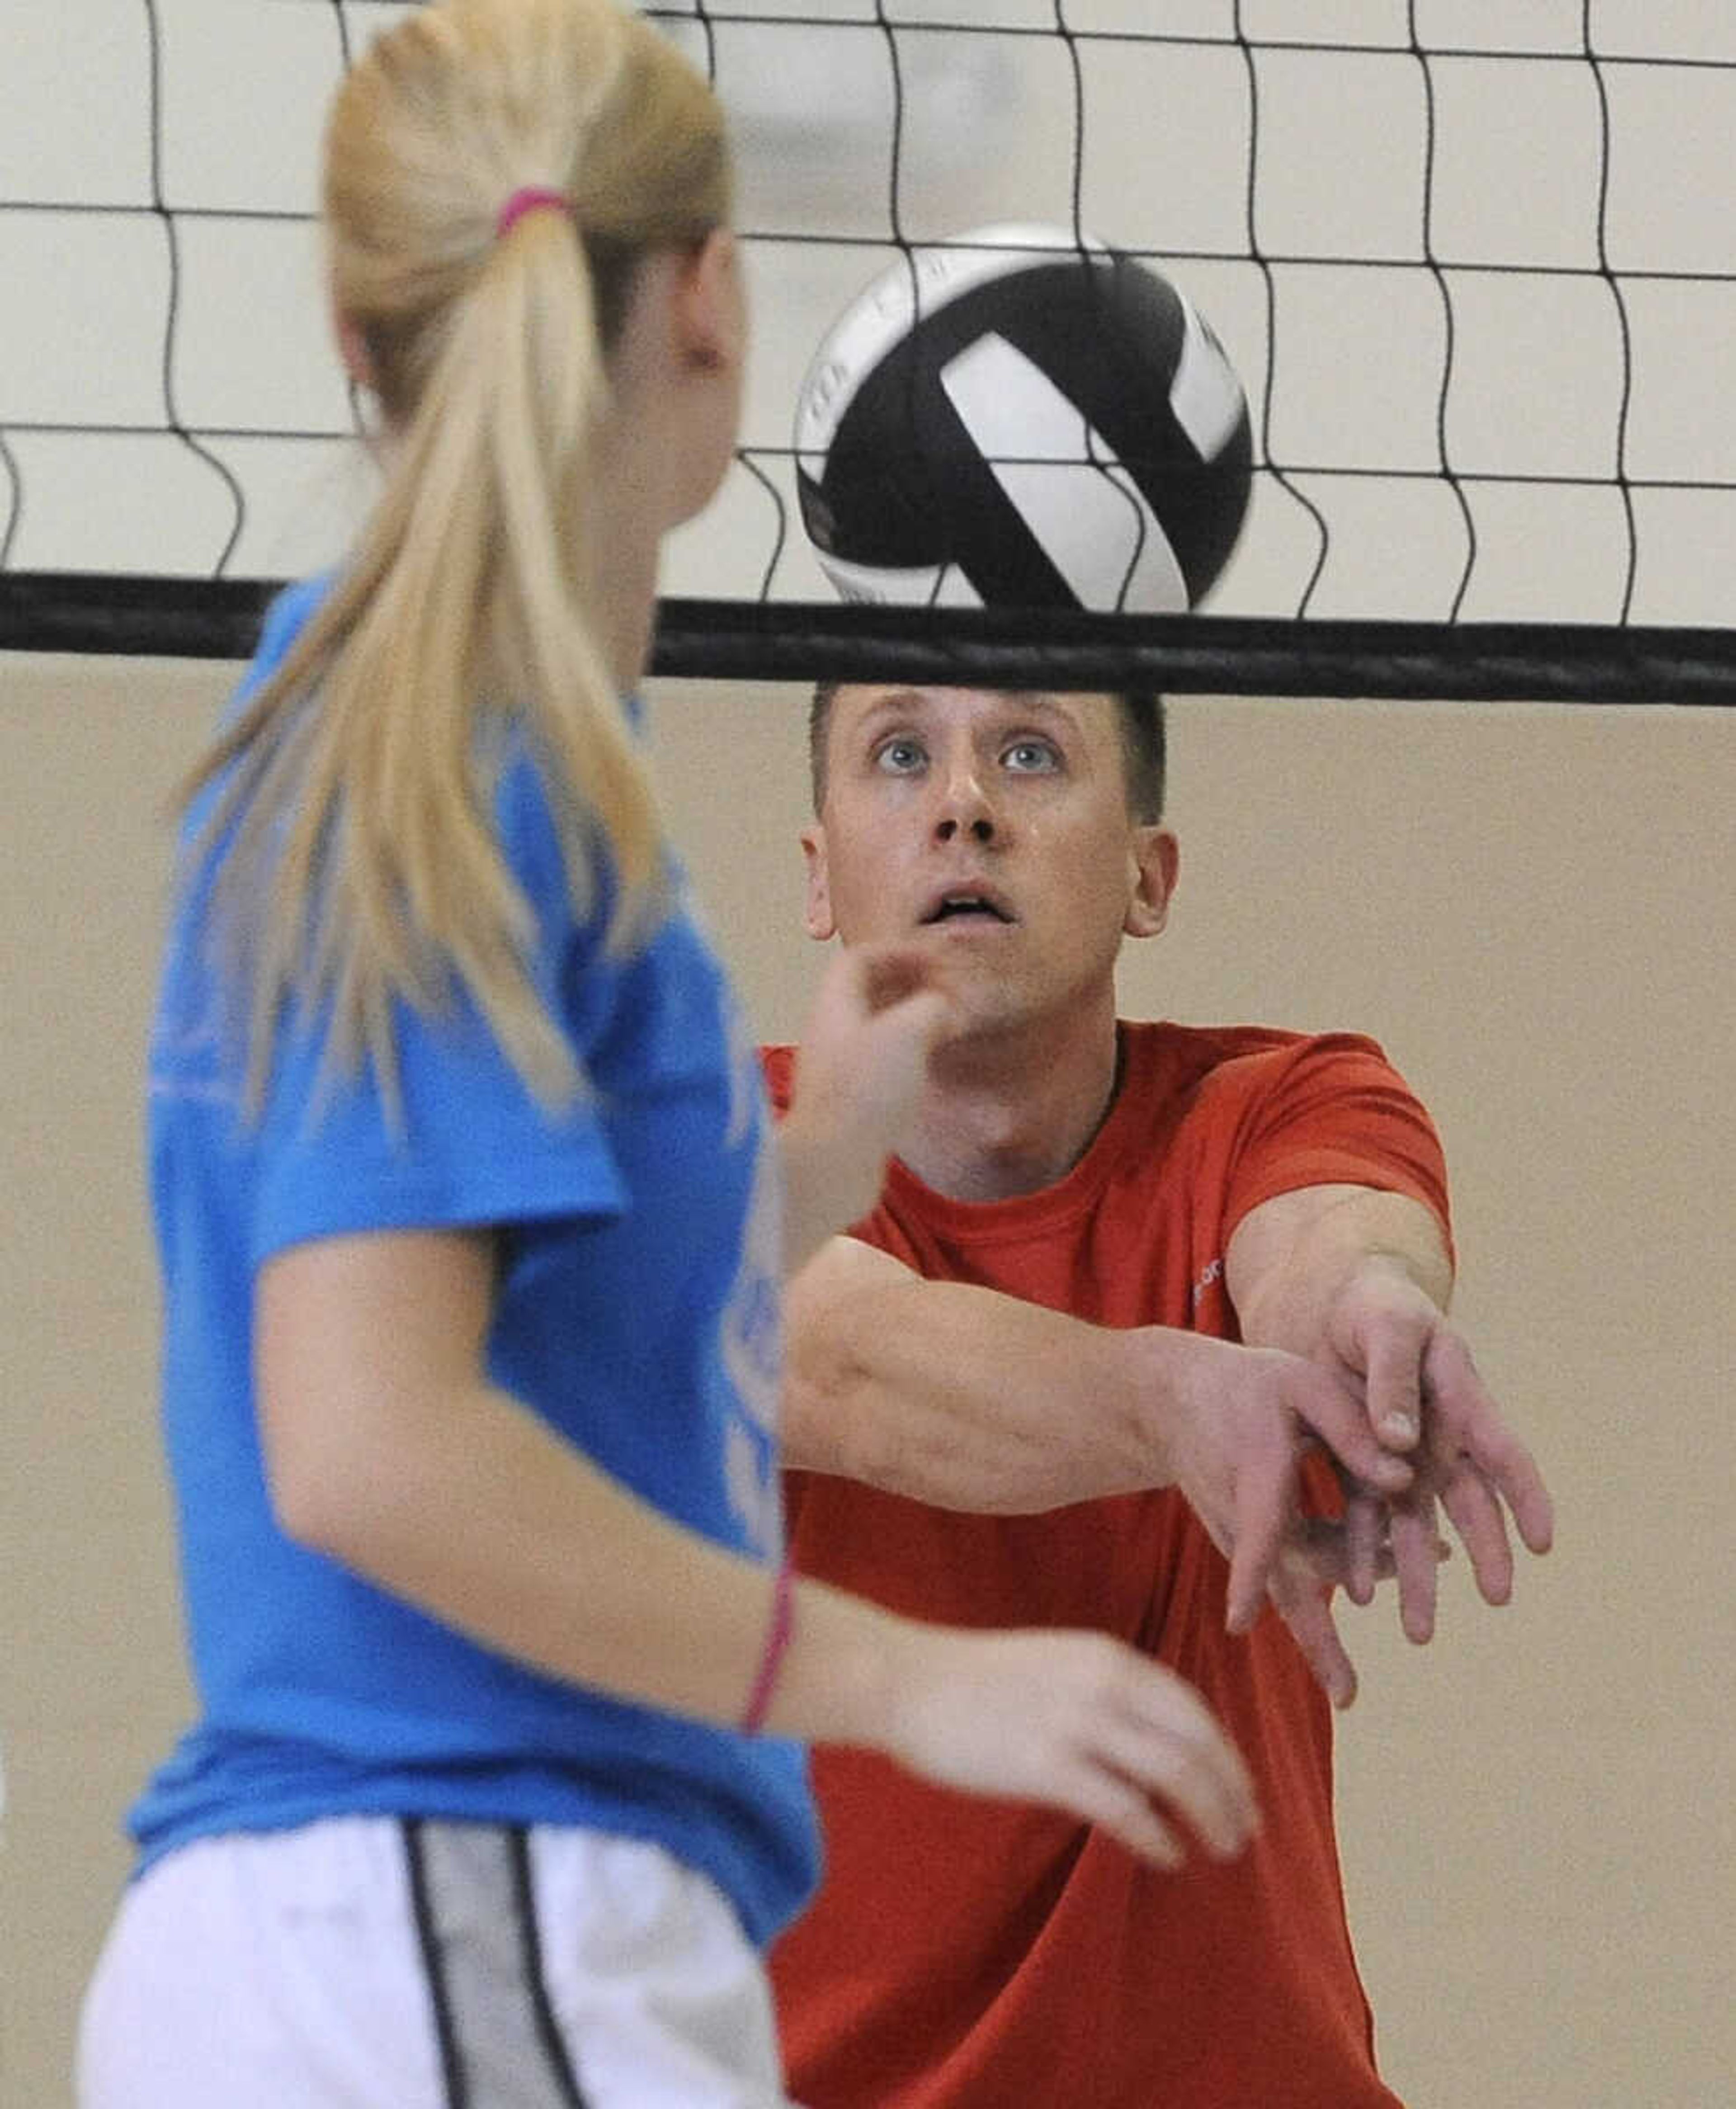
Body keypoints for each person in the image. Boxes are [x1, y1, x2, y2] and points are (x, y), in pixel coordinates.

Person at [74, 13, 1261, 2107]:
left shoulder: (487, 755)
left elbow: (567, 1320)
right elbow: (368, 1441)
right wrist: (915, 1681)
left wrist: (811, 1156)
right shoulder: (447, 754)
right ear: (708, 301)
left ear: (360, 341)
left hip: (439, 1925)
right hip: (459, 1895)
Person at [762, 678, 1556, 2109]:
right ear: (819, 876)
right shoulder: (711, 1145)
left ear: (1150, 873)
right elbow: (846, 1362)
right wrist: (1181, 1402)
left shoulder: (1284, 1098)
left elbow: (1329, 1242)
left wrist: (1370, 1328)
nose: (963, 805)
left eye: (1028, 751)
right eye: (898, 753)